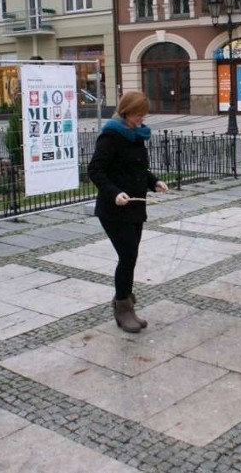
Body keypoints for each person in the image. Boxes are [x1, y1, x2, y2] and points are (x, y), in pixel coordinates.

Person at [88, 91, 168, 333]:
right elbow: (95, 170)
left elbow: (138, 168)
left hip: (135, 207)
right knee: (128, 256)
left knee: (131, 257)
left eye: (143, 115)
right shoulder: (111, 136)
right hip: (114, 210)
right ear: (125, 112)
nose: (141, 119)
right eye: (137, 115)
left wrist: (154, 182)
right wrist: (114, 192)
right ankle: (123, 308)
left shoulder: (136, 135)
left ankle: (125, 304)